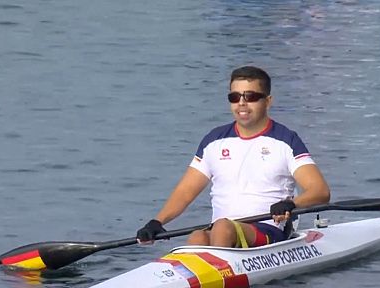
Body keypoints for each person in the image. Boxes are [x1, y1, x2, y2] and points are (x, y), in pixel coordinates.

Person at [136, 66, 330, 248]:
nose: (242, 103)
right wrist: (157, 221)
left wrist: (291, 204)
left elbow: (320, 191)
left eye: (251, 96)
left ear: (268, 101)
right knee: (198, 236)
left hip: (268, 231)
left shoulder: (286, 141)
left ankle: (220, 277)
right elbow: (185, 191)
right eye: (235, 96)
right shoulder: (213, 141)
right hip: (222, 231)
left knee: (222, 227)